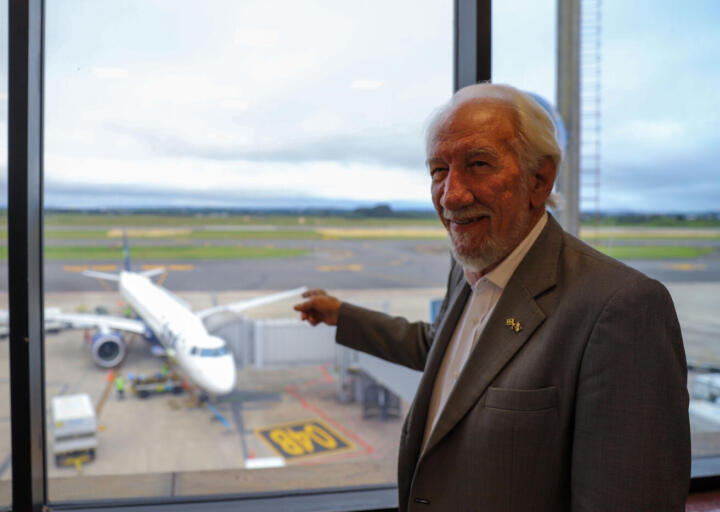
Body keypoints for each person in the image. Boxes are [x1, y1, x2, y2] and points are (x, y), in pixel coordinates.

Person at [294, 83, 690, 511]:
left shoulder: (621, 308)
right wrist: (342, 316)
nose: (451, 195)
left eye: (478, 164)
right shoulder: (471, 268)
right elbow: (444, 352)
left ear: (539, 179)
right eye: (438, 171)